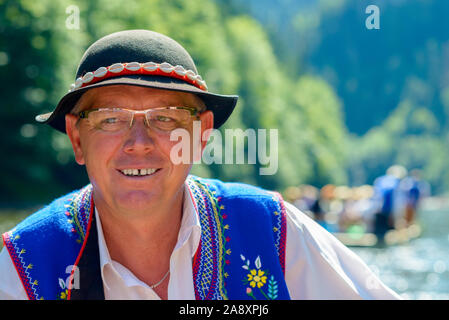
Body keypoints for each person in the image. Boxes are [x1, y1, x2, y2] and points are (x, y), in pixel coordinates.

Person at [0, 30, 400, 300]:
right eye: (110, 119)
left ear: (201, 135)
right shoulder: (21, 266)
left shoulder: (271, 229)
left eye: (166, 119)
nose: (138, 144)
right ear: (76, 138)